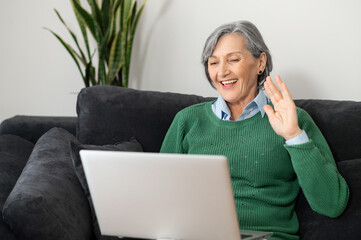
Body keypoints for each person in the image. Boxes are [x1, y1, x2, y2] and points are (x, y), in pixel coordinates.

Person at [160, 20, 349, 240]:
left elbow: (332, 204)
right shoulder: (187, 121)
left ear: (260, 63)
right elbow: (160, 198)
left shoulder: (293, 120)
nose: (222, 72)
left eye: (233, 59)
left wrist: (294, 136)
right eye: (213, 63)